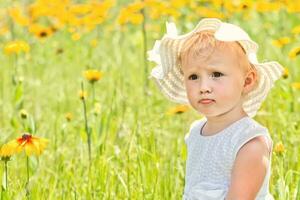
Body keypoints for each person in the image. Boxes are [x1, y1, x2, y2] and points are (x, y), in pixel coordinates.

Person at [147, 18, 284, 200]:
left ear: (247, 81)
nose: (203, 86)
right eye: (193, 76)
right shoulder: (196, 132)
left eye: (216, 74)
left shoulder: (250, 144)